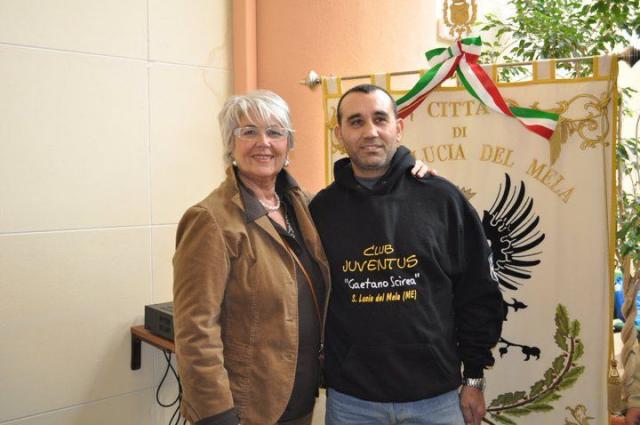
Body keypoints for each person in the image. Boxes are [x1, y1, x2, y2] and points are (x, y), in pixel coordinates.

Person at [172, 90, 431, 425]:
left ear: (288, 143)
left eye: (275, 132)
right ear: (230, 144)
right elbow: (195, 330)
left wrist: (410, 176)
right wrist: (215, 415)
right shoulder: (210, 220)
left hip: (300, 400)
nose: (264, 143)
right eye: (248, 131)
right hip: (245, 407)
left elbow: (367, 207)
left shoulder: (307, 206)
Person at [309, 84, 505, 425]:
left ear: (398, 128)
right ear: (339, 135)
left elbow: (478, 294)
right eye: (356, 121)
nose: (370, 131)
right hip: (351, 402)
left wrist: (473, 377)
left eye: (380, 119)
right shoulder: (322, 211)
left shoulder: (442, 200)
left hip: (436, 400)